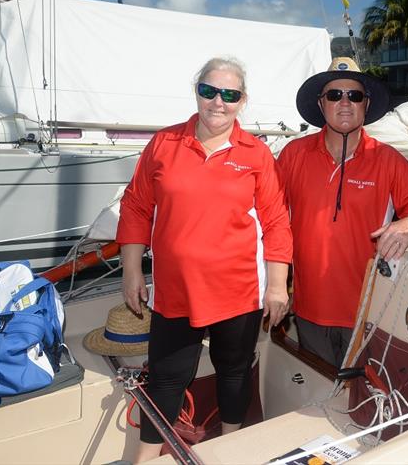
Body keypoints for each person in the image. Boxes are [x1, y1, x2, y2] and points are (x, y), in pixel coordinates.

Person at [117, 57, 292, 462]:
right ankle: (145, 459)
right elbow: (136, 208)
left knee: (233, 374)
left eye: (229, 94)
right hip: (177, 292)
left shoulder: (256, 154)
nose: (218, 102)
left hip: (239, 292)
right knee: (165, 379)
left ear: (242, 101)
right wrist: (130, 271)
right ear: (196, 91)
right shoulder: (164, 143)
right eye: (209, 91)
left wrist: (278, 285)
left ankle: (229, 447)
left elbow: (277, 224)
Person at [277, 57, 408, 368]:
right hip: (308, 309)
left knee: (362, 403)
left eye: (355, 95)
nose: (345, 103)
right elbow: (271, 220)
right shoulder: (293, 155)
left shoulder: (388, 160)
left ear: (366, 103)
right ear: (321, 104)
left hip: (369, 312)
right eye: (335, 95)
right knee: (318, 397)